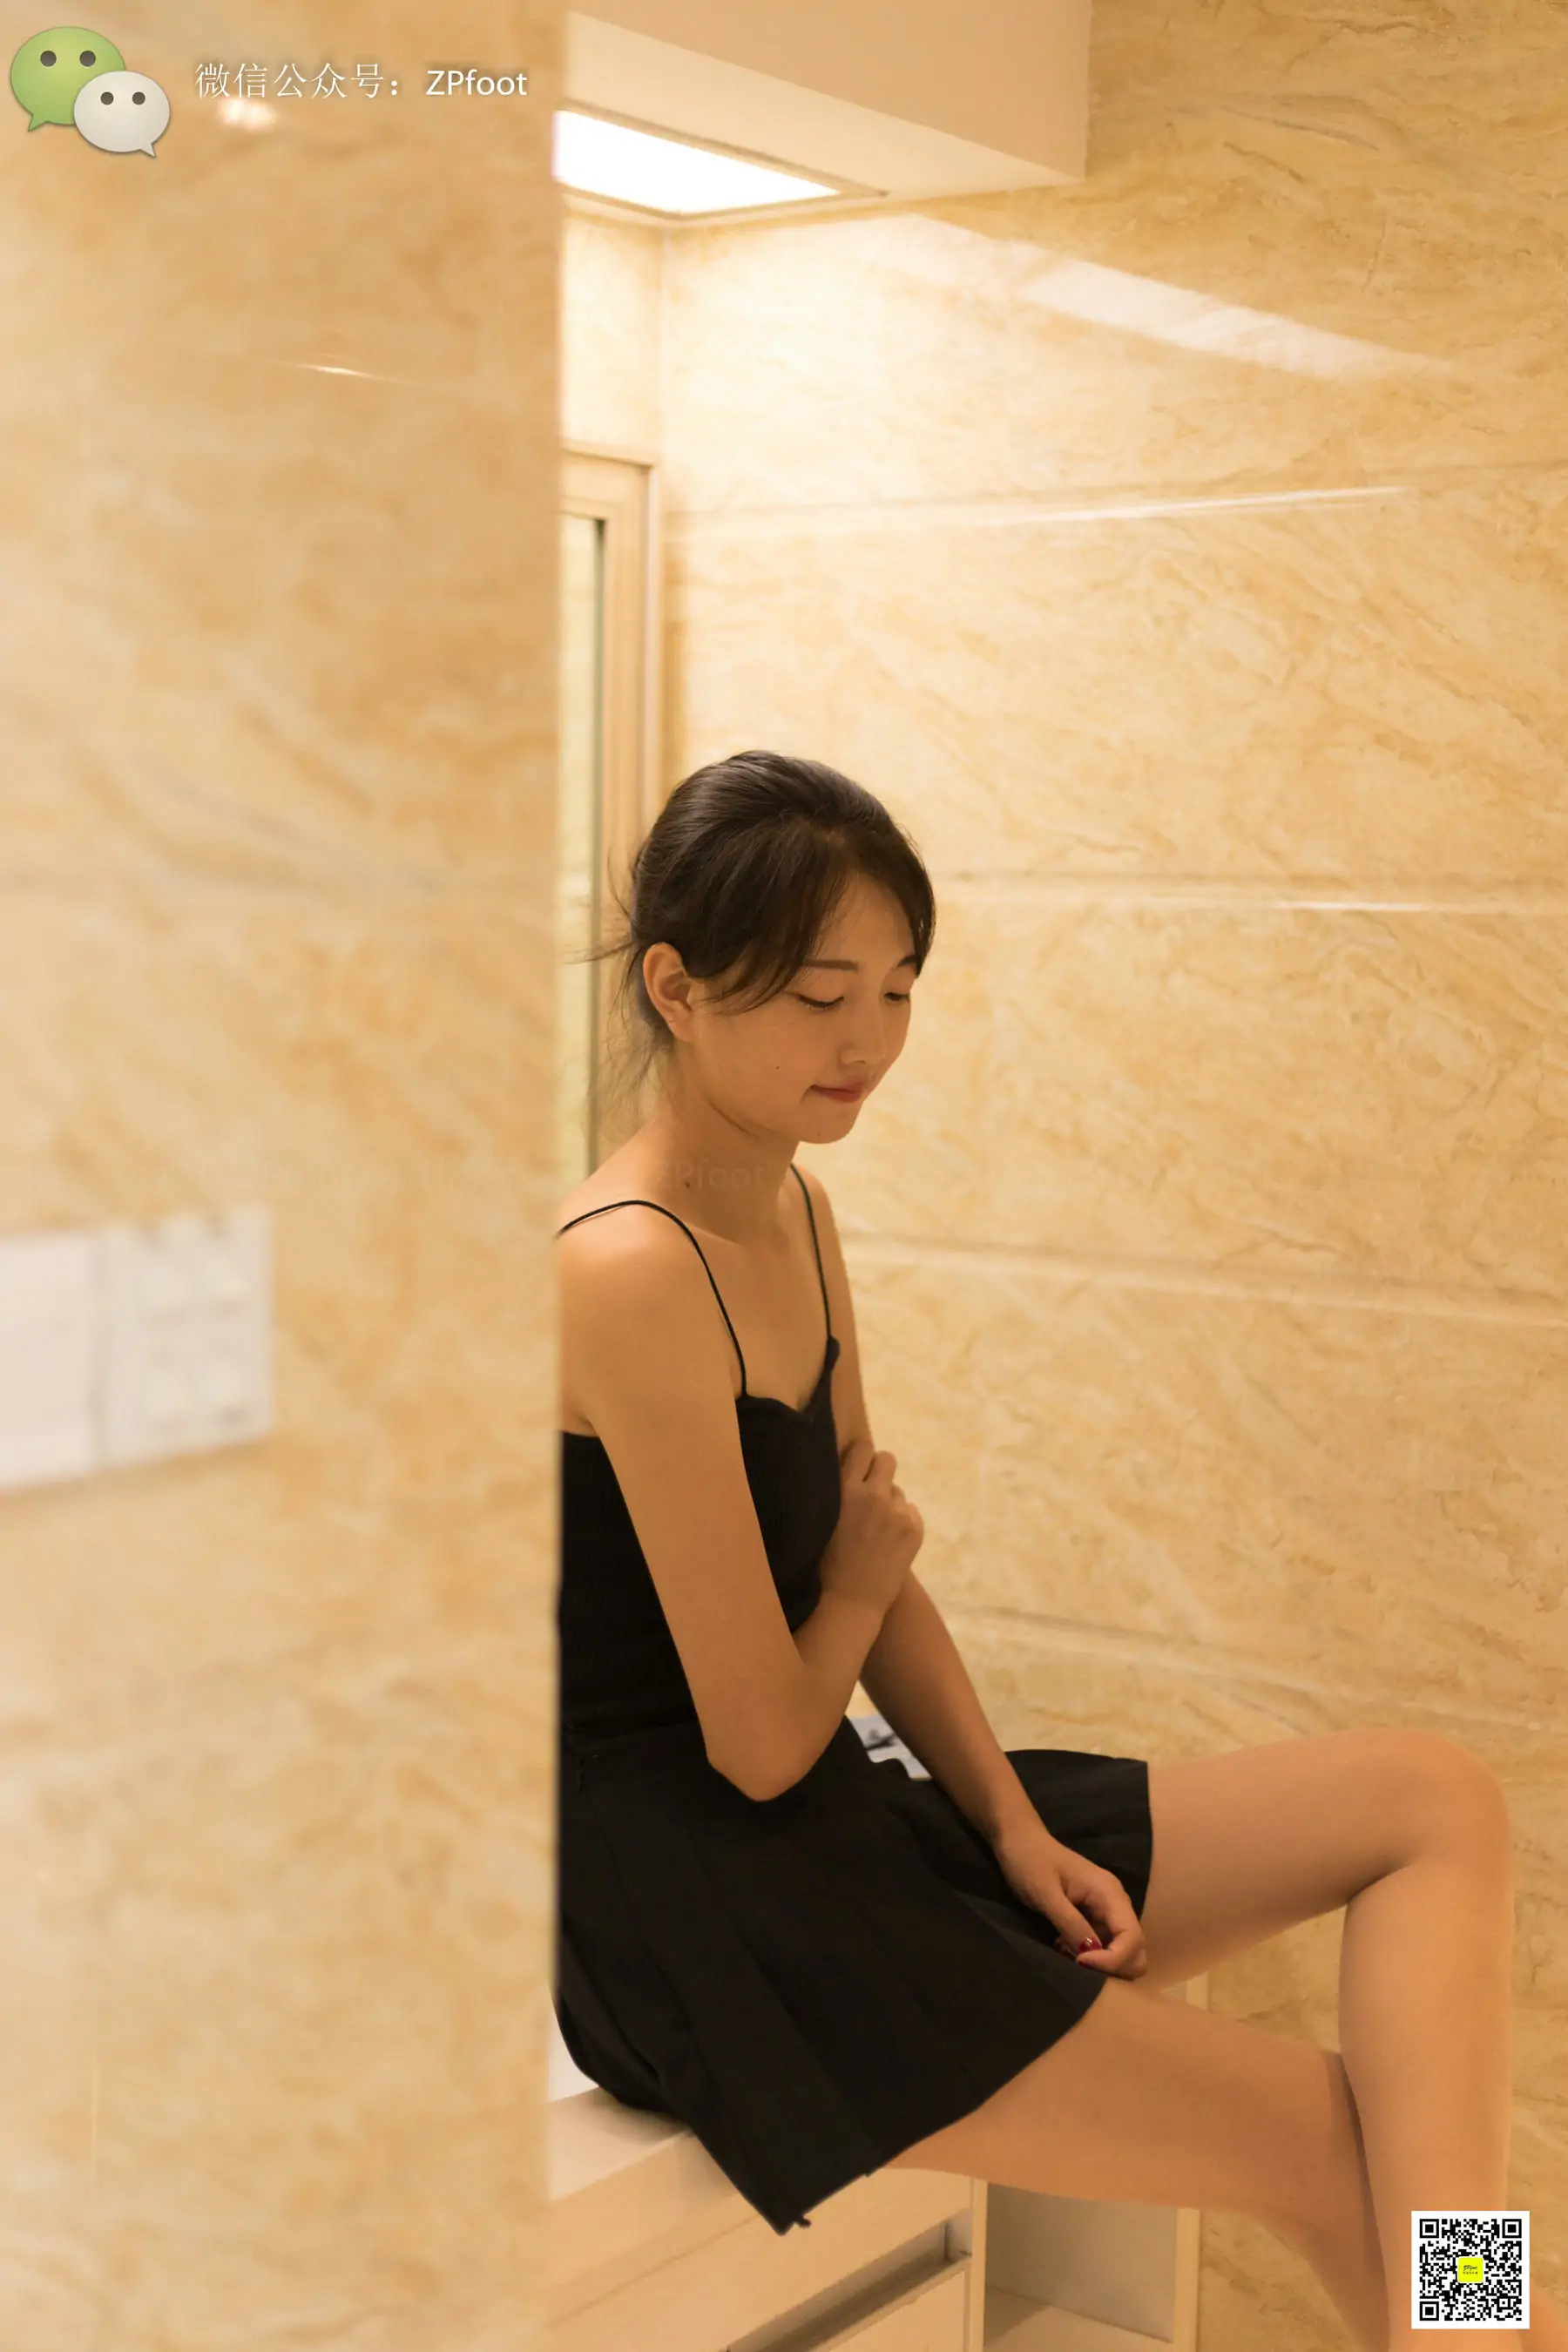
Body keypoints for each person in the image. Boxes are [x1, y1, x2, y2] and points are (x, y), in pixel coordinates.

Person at [554, 749, 1554, 2349]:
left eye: (898, 989)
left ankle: (1477, 2330)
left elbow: (868, 1564)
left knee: (1433, 1802)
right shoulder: (626, 1269)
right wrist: (861, 1583)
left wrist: (1012, 1826)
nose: (869, 1043)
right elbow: (756, 1735)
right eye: (821, 998)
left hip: (824, 1823)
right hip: (701, 1916)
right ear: (676, 988)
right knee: (1324, 2138)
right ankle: (1481, 2331)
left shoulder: (792, 1209)